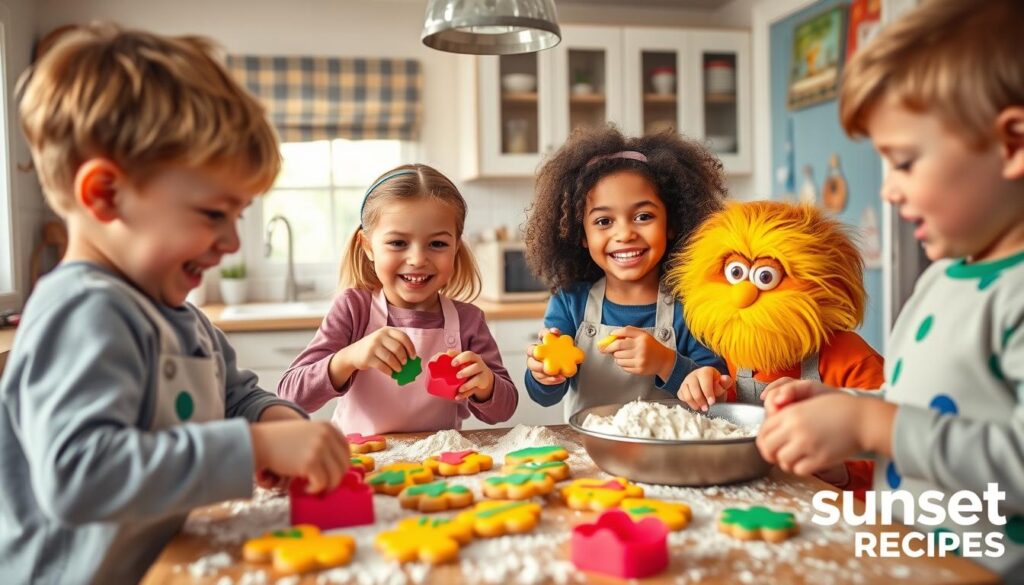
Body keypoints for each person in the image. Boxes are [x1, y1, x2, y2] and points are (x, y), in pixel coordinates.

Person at [0, 25, 350, 584]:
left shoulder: (181, 318)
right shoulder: (81, 312)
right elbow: (78, 475)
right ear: (106, 195)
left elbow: (234, 396)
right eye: (214, 214)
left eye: (238, 216)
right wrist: (254, 446)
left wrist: (273, 417)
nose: (233, 241)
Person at [757, 0, 1024, 577]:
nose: (888, 192)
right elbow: (925, 415)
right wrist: (845, 409)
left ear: (1012, 144)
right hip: (906, 559)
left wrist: (871, 427)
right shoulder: (940, 282)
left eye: (903, 162)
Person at [278, 164, 518, 434]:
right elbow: (289, 395)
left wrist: (486, 386)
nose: (417, 259)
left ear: (455, 248)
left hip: (436, 465)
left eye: (437, 244)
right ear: (368, 247)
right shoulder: (353, 310)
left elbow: (504, 409)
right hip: (367, 463)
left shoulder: (468, 320)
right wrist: (348, 358)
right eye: (398, 243)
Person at [670, 201, 884, 496]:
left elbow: (899, 448)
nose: (744, 293)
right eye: (735, 273)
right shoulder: (737, 353)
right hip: (759, 496)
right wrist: (709, 392)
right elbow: (730, 424)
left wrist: (843, 469)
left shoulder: (853, 359)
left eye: (765, 277)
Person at [522, 125, 727, 420]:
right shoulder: (571, 302)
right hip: (590, 453)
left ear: (672, 224)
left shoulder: (692, 305)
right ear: (581, 234)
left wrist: (665, 362)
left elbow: (715, 392)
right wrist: (543, 375)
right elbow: (544, 396)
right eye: (604, 221)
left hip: (668, 454)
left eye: (643, 216)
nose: (625, 234)